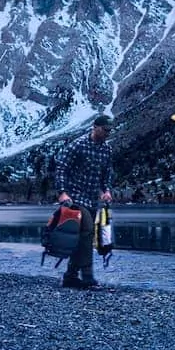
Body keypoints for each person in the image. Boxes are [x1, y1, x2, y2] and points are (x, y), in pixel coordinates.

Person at [53, 115, 114, 289]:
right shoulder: (77, 145)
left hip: (92, 199)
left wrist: (106, 190)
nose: (107, 134)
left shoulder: (107, 150)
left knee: (81, 237)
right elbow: (62, 168)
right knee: (87, 231)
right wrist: (62, 193)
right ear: (95, 127)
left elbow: (107, 173)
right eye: (105, 130)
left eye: (110, 131)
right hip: (74, 198)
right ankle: (88, 277)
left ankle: (70, 276)